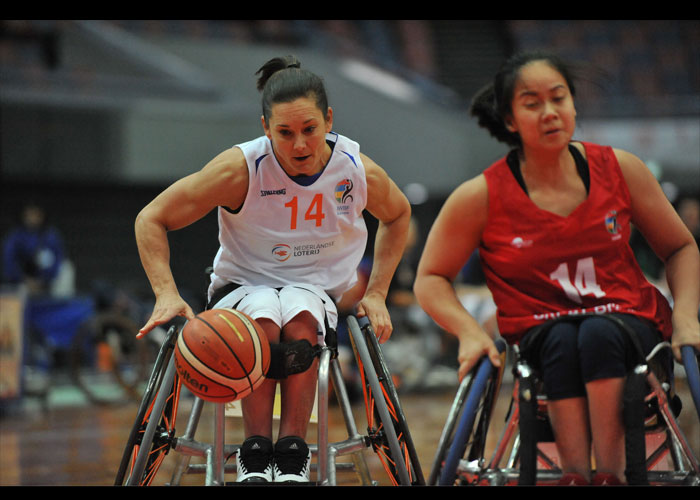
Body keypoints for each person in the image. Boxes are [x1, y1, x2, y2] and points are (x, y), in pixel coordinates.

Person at [413, 51, 700, 486]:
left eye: (558, 98)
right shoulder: (481, 196)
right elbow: (431, 277)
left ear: (573, 104)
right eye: (531, 103)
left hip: (628, 325)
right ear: (510, 119)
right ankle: (574, 475)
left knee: (597, 333)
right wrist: (469, 333)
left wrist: (685, 319)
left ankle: (609, 474)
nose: (549, 113)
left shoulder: (621, 169)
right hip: (544, 334)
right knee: (566, 338)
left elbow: (680, 246)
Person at [134, 55, 411, 483]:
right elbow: (151, 217)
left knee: (300, 313)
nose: (299, 144)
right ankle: (255, 450)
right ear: (266, 128)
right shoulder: (239, 169)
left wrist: (376, 293)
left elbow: (398, 215)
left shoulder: (356, 169)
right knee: (263, 312)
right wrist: (166, 293)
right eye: (284, 132)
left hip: (316, 290)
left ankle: (293, 452)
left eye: (309, 130)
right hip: (243, 286)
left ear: (328, 120)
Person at [2, 202, 67, 296]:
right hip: (20, 284)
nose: (32, 219)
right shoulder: (15, 236)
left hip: (45, 284)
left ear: (42, 216)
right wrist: (23, 280)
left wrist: (43, 280)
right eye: (29, 215)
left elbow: (57, 259)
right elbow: (9, 260)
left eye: (36, 215)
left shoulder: (50, 236)